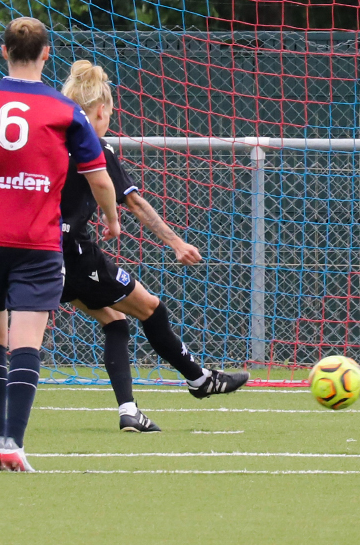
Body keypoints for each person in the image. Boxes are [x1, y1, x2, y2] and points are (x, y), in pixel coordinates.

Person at [0, 17, 118, 472]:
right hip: (36, 240)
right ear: (46, 54)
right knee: (26, 342)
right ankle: (12, 443)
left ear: (3, 52)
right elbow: (98, 178)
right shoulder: (64, 110)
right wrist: (112, 219)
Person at [58, 60, 248, 432]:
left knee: (114, 320)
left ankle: (129, 410)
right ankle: (198, 379)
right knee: (151, 309)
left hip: (37, 252)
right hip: (75, 255)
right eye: (109, 113)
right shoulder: (94, 145)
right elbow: (135, 202)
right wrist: (177, 242)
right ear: (100, 111)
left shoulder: (48, 140)